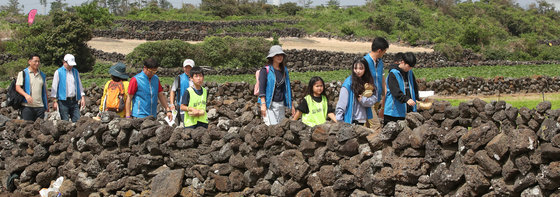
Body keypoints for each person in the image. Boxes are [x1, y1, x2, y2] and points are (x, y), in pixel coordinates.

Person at [258, 45, 295, 126]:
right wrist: (263, 104)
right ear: (272, 57)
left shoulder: (284, 70)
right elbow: (262, 88)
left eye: (281, 55)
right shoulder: (265, 70)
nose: (280, 57)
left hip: (280, 104)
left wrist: (291, 104)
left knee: (280, 128)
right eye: (277, 55)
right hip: (269, 104)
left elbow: (287, 88)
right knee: (271, 127)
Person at [336, 58, 377, 126]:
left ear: (365, 69)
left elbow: (374, 98)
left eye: (361, 69)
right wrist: (339, 119)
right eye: (355, 68)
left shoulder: (368, 82)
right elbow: (342, 103)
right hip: (351, 120)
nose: (358, 71)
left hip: (362, 120)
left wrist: (363, 100)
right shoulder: (348, 84)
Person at [383, 52, 419, 125]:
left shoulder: (410, 73)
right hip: (393, 112)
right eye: (409, 66)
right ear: (403, 62)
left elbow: (414, 87)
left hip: (408, 110)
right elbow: (395, 92)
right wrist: (406, 99)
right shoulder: (393, 74)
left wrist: (417, 98)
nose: (410, 68)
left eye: (411, 67)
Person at [51, 54, 85, 122]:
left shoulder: (75, 72)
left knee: (77, 120)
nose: (71, 66)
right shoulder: (58, 72)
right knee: (65, 121)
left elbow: (79, 85)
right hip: (63, 101)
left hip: (74, 100)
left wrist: (82, 97)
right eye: (69, 64)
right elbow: (54, 87)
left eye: (72, 65)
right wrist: (54, 101)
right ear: (64, 62)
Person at [363, 37, 389, 128]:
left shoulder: (380, 62)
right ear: (379, 51)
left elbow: (382, 78)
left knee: (367, 125)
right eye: (384, 51)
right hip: (367, 99)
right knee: (376, 125)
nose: (384, 53)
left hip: (377, 98)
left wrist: (386, 93)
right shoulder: (364, 62)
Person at [15, 54, 48, 121]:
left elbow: (45, 91)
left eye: (38, 61)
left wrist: (46, 105)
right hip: (27, 106)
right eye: (35, 61)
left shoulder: (42, 75)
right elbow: (17, 87)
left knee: (40, 129)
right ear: (29, 62)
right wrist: (26, 95)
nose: (37, 63)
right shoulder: (23, 73)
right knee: (27, 128)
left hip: (40, 107)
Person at [169, 59, 194, 125]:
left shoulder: (196, 78)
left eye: (190, 67)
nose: (188, 69)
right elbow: (173, 91)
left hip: (194, 108)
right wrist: (172, 104)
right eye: (186, 67)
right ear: (183, 68)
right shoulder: (179, 78)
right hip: (182, 108)